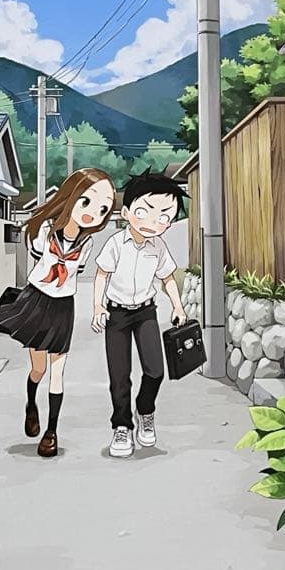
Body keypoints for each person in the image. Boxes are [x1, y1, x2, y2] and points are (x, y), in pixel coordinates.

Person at [0, 168, 116, 458]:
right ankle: (31, 404)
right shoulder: (44, 231)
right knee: (39, 370)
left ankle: (51, 432)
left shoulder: (87, 244)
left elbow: (75, 273)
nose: (93, 213)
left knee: (57, 373)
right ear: (71, 197)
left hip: (63, 306)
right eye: (86, 202)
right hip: (37, 300)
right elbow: (38, 258)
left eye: (102, 209)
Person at [91, 170, 186, 458]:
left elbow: (168, 278)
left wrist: (177, 306)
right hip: (117, 315)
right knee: (119, 377)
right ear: (127, 212)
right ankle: (122, 426)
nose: (154, 222)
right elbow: (101, 274)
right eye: (145, 212)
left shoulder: (159, 247)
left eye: (164, 216)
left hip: (146, 312)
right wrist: (98, 306)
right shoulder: (115, 244)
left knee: (155, 371)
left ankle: (145, 411)